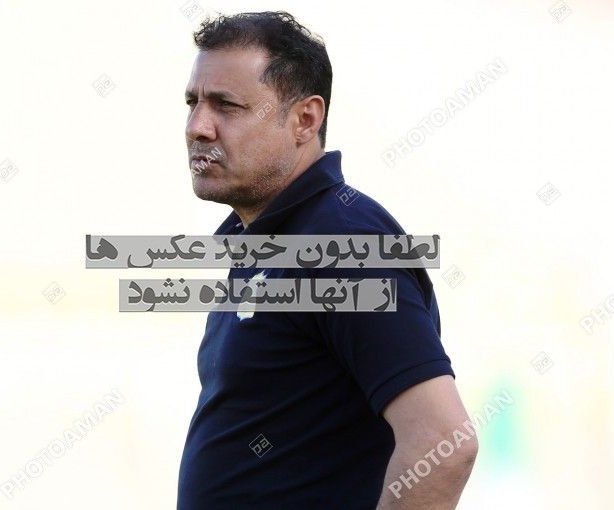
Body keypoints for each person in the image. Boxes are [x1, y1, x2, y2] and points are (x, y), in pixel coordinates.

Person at [178, 11, 477, 509]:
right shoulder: (265, 238)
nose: (197, 127)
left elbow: (444, 444)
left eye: (226, 106)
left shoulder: (345, 243)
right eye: (193, 103)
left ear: (305, 120)